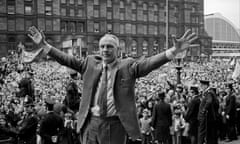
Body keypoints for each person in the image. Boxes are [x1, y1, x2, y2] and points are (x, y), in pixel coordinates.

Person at [28, 26, 198, 144]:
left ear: (117, 50)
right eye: (102, 46)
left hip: (113, 125)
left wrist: (174, 51)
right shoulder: (89, 63)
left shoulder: (127, 66)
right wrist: (44, 45)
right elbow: (66, 59)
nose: (105, 50)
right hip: (89, 123)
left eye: (109, 47)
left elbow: (148, 64)